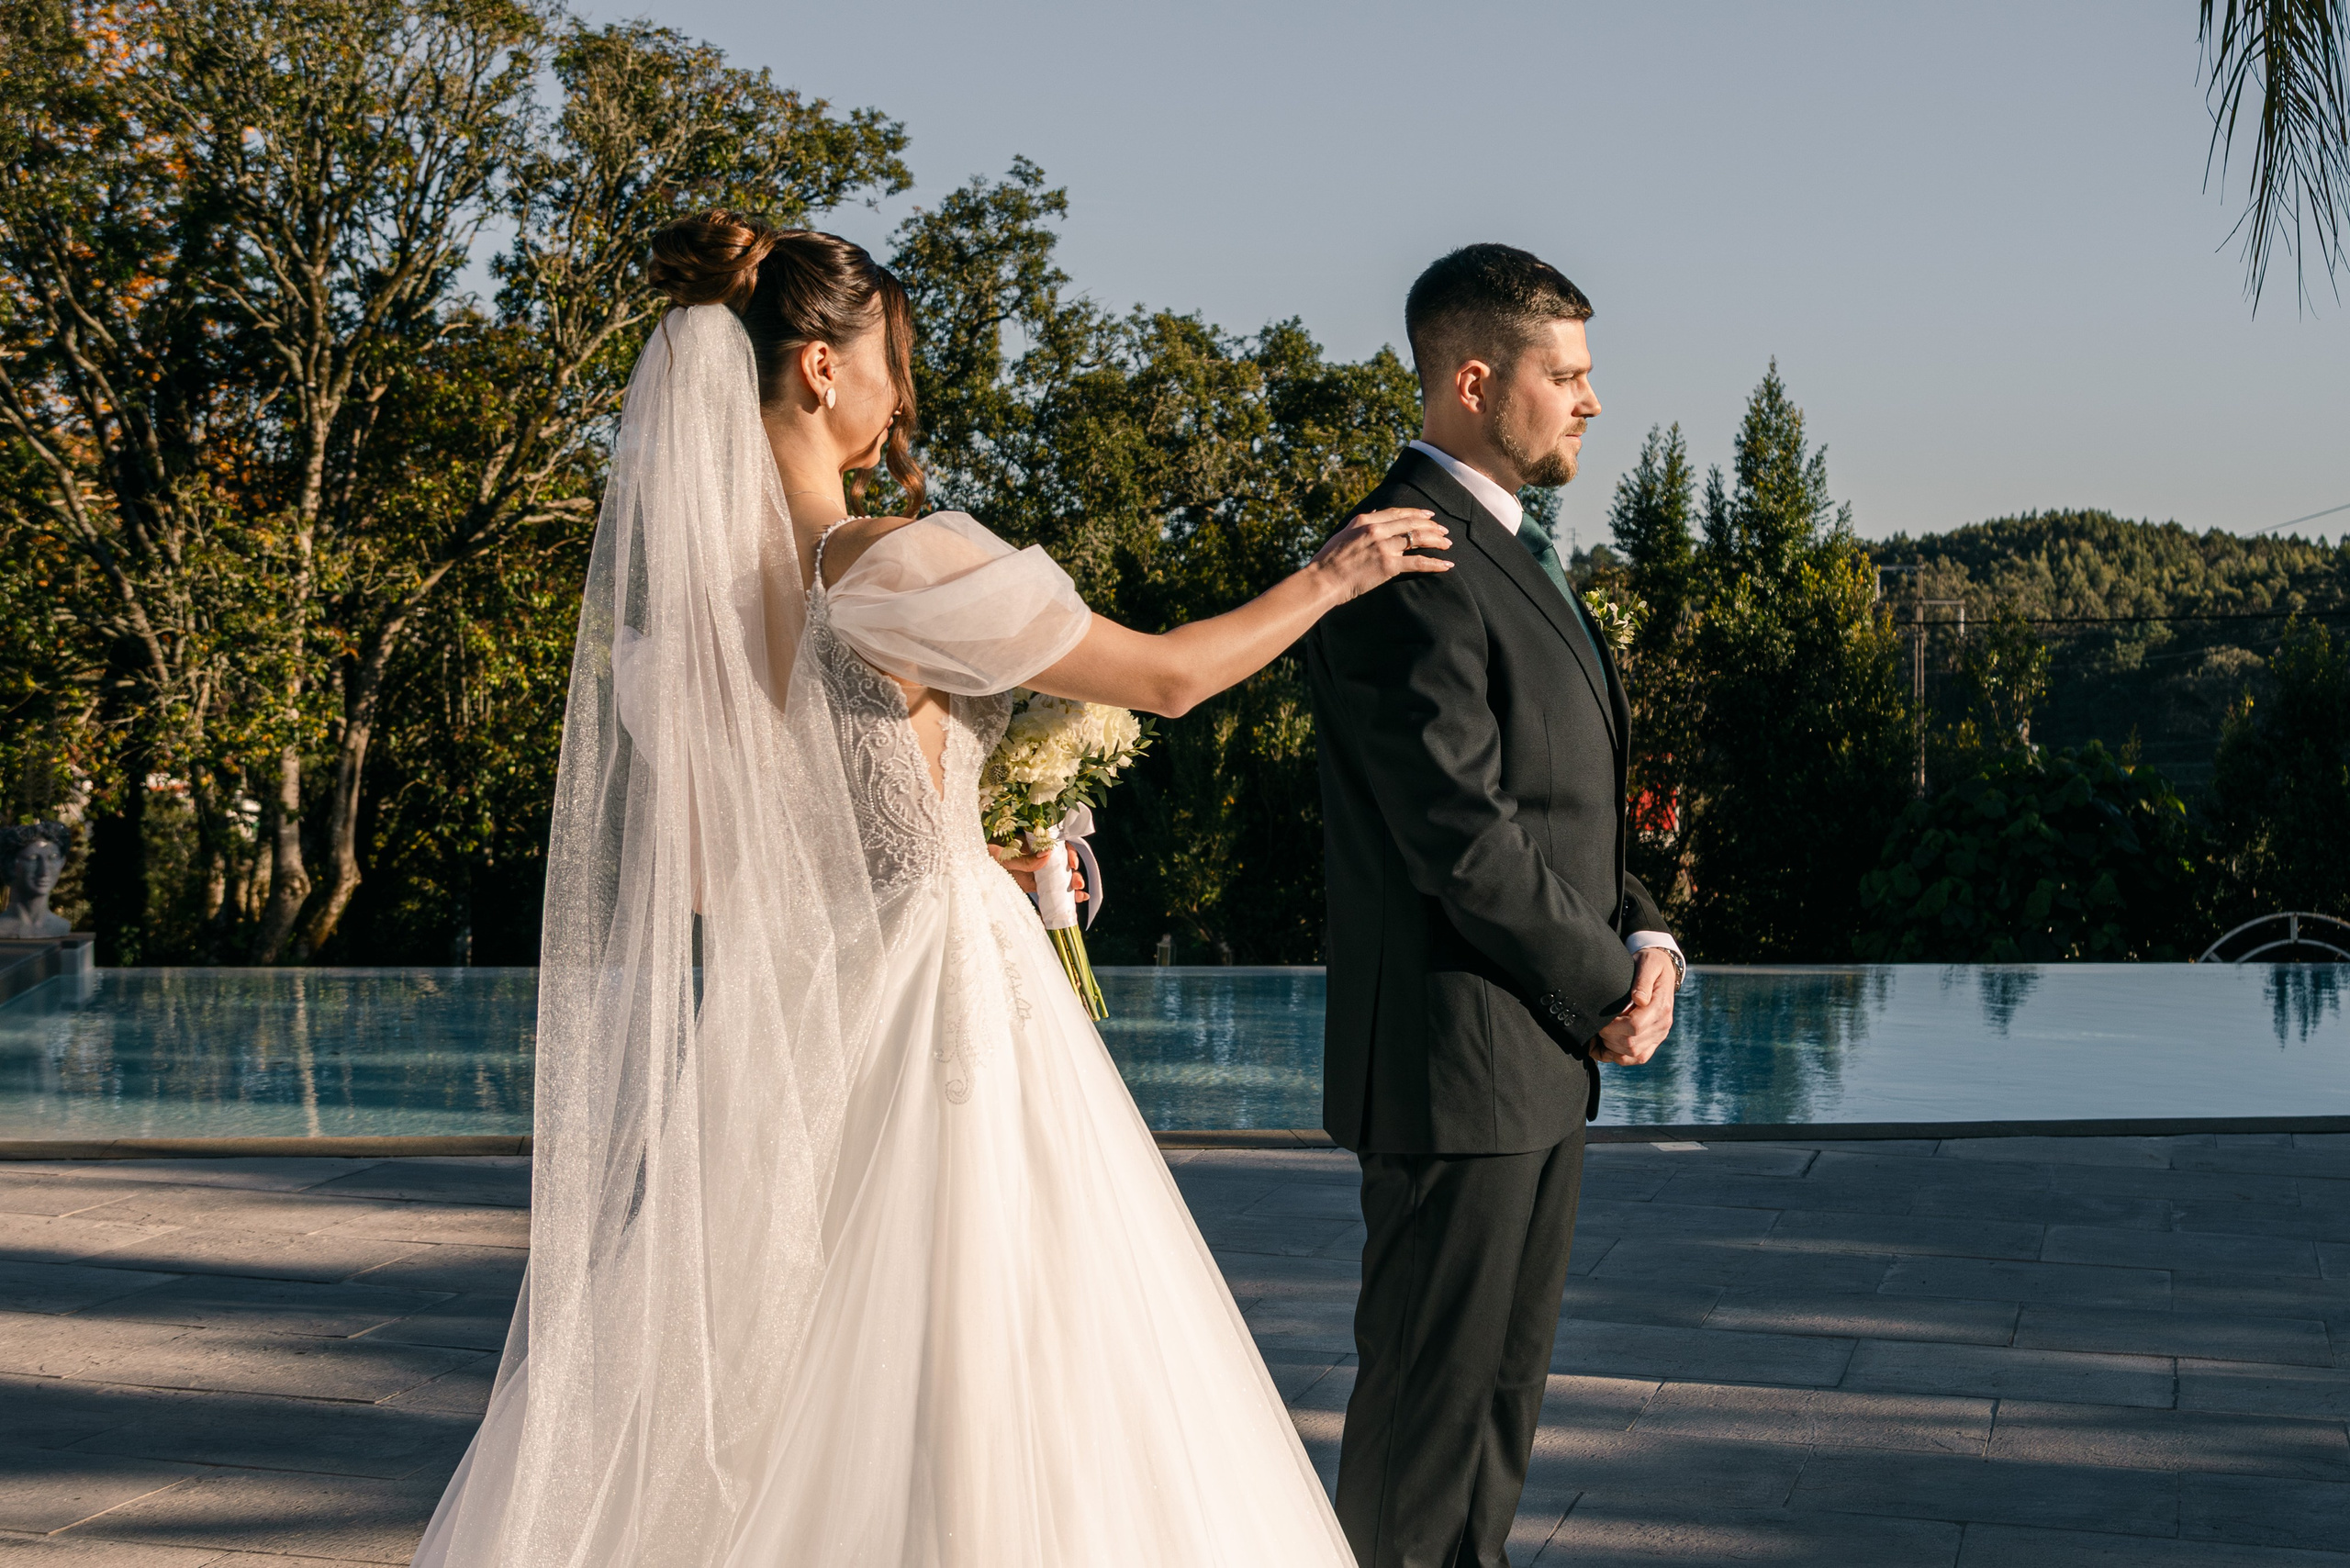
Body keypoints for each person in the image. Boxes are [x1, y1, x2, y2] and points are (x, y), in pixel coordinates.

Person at [410, 214, 1446, 1568]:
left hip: (806, 1018)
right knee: (999, 1349)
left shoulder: (698, 626)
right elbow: (1173, 675)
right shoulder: (888, 561)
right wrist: (1334, 573)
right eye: (894, 361)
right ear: (821, 369)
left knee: (797, 1365)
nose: (906, 394)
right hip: (951, 998)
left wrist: (957, 841)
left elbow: (725, 875)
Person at [1304, 244, 1684, 1568]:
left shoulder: (1504, 544)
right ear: (1474, 380)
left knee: (1496, 1430)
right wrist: (1602, 987)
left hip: (1534, 1062)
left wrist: (1647, 937)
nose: (1589, 401)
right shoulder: (1401, 555)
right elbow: (1460, 835)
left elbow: (1565, 802)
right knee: (1422, 1443)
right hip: (1453, 1067)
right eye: (1565, 374)